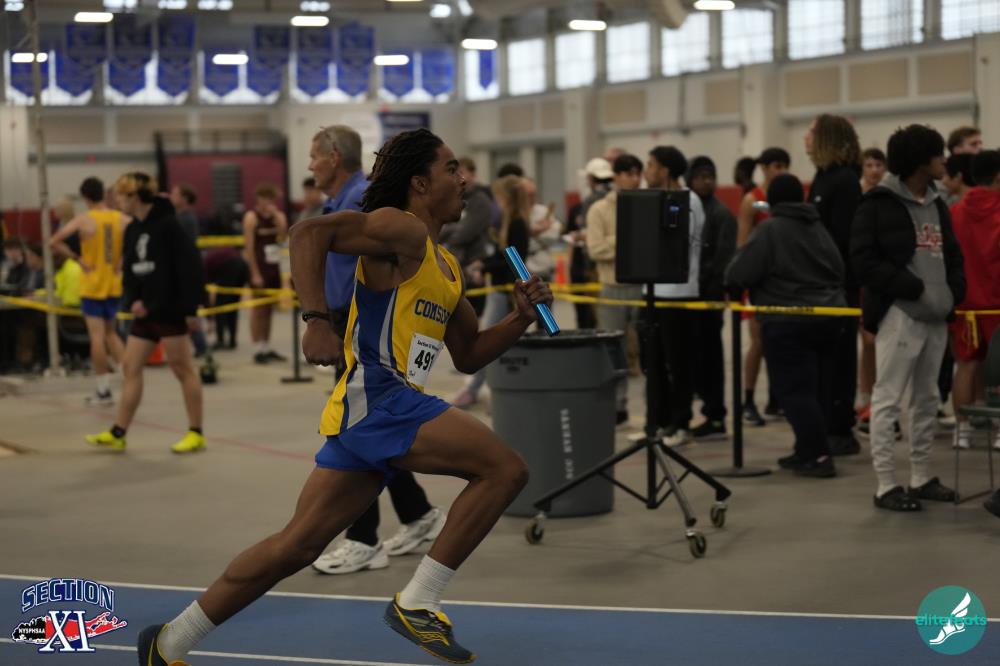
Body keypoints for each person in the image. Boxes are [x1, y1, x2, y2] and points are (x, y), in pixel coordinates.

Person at [137, 128, 551, 665]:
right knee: (504, 469)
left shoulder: (446, 266)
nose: (464, 179)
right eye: (451, 169)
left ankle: (169, 642)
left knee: (297, 546)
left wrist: (519, 318)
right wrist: (315, 320)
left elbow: (469, 354)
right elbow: (308, 233)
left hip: (377, 411)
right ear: (420, 183)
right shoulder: (401, 229)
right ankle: (419, 602)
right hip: (380, 397)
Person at [306, 125, 448, 578]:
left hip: (364, 330)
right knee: (371, 427)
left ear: (333, 157)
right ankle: (418, 514)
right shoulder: (340, 199)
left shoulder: (359, 200)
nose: (310, 165)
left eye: (314, 156)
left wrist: (318, 321)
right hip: (348, 324)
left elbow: (315, 238)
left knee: (358, 428)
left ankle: (363, 538)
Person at [851, 124, 965, 512]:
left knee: (928, 398)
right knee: (887, 399)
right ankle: (886, 485)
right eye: (937, 154)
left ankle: (920, 477)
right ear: (919, 161)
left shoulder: (937, 203)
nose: (944, 161)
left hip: (936, 316)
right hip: (899, 315)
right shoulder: (878, 203)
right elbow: (863, 261)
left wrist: (953, 292)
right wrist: (911, 288)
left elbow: (952, 255)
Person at [727, 174, 846, 477]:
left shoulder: (771, 229)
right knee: (817, 390)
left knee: (793, 391)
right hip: (829, 318)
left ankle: (818, 456)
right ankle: (806, 450)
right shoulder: (817, 227)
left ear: (773, 201)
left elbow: (740, 271)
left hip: (788, 320)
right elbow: (839, 268)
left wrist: (733, 286)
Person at [85, 172, 206, 454]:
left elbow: (189, 268)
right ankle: (118, 432)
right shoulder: (133, 228)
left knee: (182, 368)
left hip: (170, 310)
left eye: (121, 195)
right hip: (145, 314)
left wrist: (190, 310)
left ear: (135, 196)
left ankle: (196, 432)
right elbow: (131, 271)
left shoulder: (169, 225)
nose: (117, 201)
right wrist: (134, 300)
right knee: (130, 367)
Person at [806, 114, 863, 457]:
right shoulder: (822, 177)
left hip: (838, 287)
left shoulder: (844, 181)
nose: (805, 137)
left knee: (840, 360)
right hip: (818, 286)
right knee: (822, 362)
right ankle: (825, 422)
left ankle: (840, 427)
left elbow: (842, 239)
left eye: (811, 132)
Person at [450, 174, 531, 409]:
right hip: (500, 287)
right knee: (498, 342)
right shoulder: (508, 222)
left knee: (484, 342)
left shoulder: (516, 224)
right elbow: (502, 255)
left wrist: (484, 266)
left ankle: (473, 390)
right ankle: (490, 390)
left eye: (498, 197)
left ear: (506, 198)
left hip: (504, 290)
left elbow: (512, 260)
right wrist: (483, 264)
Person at [643, 145, 705, 446]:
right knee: (654, 362)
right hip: (653, 291)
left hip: (678, 294)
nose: (647, 171)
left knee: (677, 363)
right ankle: (660, 422)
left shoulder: (688, 201)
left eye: (651, 165)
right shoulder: (655, 198)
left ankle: (681, 424)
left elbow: (675, 242)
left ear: (665, 170)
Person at [50, 177, 128, 405]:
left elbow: (54, 241)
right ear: (103, 193)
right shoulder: (121, 219)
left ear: (85, 198)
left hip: (92, 283)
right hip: (113, 283)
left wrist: (77, 258)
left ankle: (103, 390)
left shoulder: (84, 220)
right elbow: (137, 239)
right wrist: (122, 260)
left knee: (97, 337)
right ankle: (130, 381)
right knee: (112, 333)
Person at [947, 150, 1000, 451]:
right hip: (996, 302)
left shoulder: (955, 211)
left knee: (965, 366)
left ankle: (962, 431)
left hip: (965, 303)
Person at [586, 153, 644, 425]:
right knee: (613, 350)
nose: (635, 179)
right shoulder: (599, 210)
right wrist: (627, 240)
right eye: (630, 174)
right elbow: (596, 249)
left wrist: (618, 242)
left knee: (646, 350)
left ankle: (653, 407)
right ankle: (618, 405)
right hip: (612, 287)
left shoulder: (645, 206)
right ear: (617, 176)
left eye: (638, 174)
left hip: (642, 287)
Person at [736, 147, 790, 426]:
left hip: (782, 283)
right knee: (758, 342)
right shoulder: (752, 200)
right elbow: (742, 244)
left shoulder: (789, 199)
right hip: (758, 282)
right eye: (776, 166)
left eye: (784, 165)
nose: (780, 171)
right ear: (764, 168)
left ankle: (775, 399)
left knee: (779, 342)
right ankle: (747, 401)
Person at [687, 156, 737, 440]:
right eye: (701, 177)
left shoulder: (721, 214)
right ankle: (708, 410)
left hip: (709, 299)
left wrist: (701, 282)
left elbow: (722, 261)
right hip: (691, 297)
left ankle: (716, 416)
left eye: (711, 176)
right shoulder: (691, 209)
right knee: (696, 359)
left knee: (710, 360)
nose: (707, 182)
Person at [440, 156, 494, 316]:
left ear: (473, 174)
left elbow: (465, 233)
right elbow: (439, 229)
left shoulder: (481, 201)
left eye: (462, 172)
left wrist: (449, 229)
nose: (459, 177)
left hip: (472, 267)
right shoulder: (452, 199)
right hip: (452, 266)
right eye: (454, 173)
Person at [243, 183, 288, 364]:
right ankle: (257, 348)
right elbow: (249, 248)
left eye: (270, 199)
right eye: (264, 199)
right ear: (258, 199)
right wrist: (255, 273)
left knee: (269, 309)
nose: (267, 203)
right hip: (259, 266)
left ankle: (266, 346)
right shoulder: (251, 217)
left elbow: (283, 238)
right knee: (259, 309)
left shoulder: (278, 216)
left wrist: (277, 218)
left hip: (273, 267)